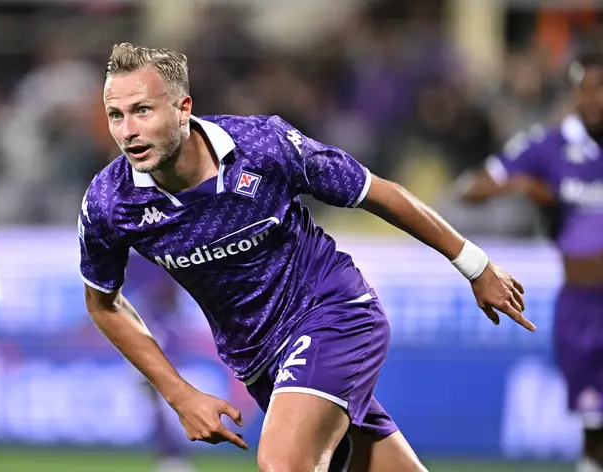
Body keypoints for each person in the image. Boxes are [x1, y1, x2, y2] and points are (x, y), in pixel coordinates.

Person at [79, 43, 535, 472]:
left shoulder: (262, 147)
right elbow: (103, 302)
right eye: (115, 115)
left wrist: (475, 266)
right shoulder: (110, 203)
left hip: (331, 313)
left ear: (183, 109)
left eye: (142, 110)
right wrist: (180, 395)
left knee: (282, 464)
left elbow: (378, 193)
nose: (128, 131)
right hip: (259, 361)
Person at [459, 52, 603, 472]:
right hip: (581, 306)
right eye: (587, 89)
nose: (595, 99)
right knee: (593, 428)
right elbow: (469, 187)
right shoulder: (550, 146)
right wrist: (523, 184)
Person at [122, 254, 197, 472]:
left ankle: (174, 455)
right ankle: (171, 455)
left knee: (169, 407)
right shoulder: (149, 302)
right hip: (148, 348)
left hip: (160, 351)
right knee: (158, 408)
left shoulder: (165, 312)